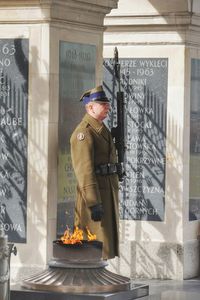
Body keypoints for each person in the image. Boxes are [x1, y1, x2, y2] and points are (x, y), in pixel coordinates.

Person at [70, 85, 119, 259]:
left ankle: (100, 274)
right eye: (103, 104)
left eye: (108, 104)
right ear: (90, 107)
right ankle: (89, 278)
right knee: (94, 245)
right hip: (95, 196)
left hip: (106, 192)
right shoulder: (84, 133)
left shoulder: (100, 129)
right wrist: (93, 202)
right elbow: (84, 171)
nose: (108, 107)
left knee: (104, 244)